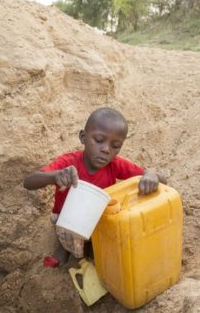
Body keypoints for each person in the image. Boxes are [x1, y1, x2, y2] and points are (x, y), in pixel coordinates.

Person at [23, 107, 164, 267]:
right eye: (99, 140)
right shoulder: (68, 163)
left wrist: (151, 175)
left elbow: (159, 178)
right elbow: (29, 182)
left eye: (115, 146)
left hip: (99, 218)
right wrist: (55, 176)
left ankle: (90, 249)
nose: (106, 149)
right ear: (83, 137)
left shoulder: (115, 165)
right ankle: (63, 247)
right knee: (70, 237)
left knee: (107, 247)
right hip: (67, 219)